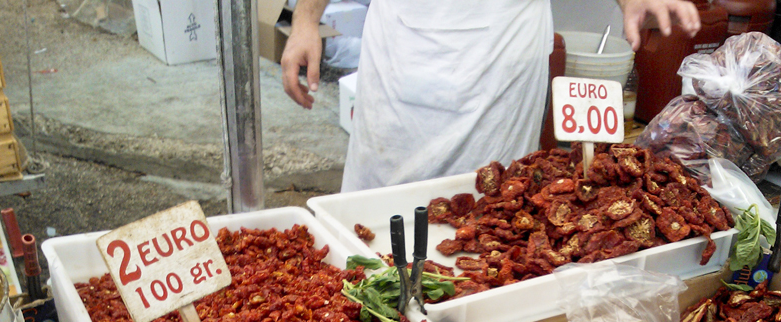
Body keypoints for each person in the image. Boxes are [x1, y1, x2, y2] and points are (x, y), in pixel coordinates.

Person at [281, 0, 702, 192]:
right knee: (374, 232)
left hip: (500, 59)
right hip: (401, 52)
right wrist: (305, 19)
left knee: (490, 221)